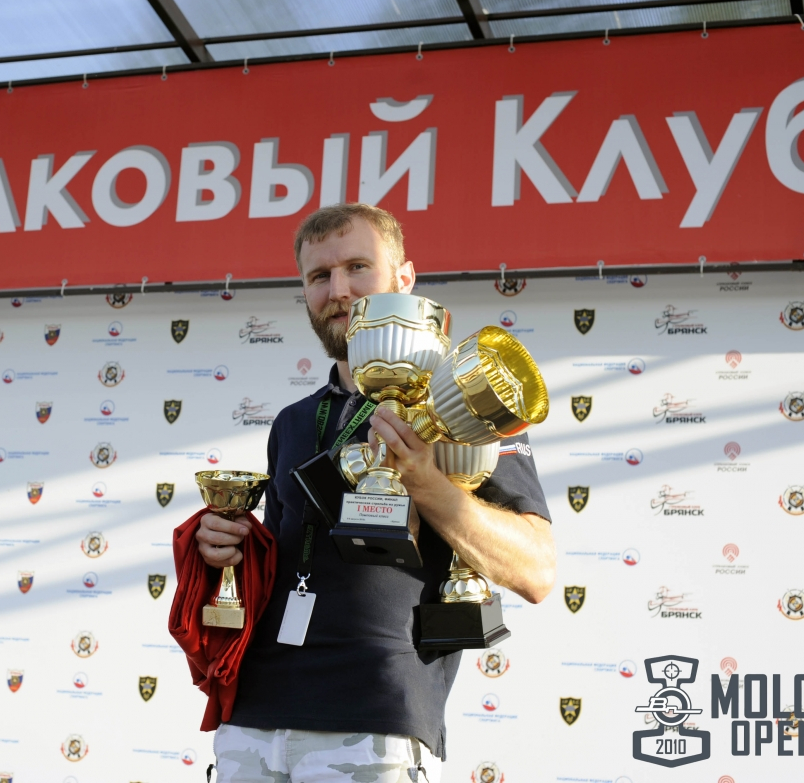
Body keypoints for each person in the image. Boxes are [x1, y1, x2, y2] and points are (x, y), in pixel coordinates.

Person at [195, 203, 556, 783]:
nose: (338, 291)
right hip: (252, 714)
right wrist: (225, 546)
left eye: (357, 267)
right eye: (319, 276)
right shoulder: (292, 421)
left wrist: (426, 482)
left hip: (374, 716)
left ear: (404, 279)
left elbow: (536, 570)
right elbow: (282, 564)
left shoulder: (466, 400)